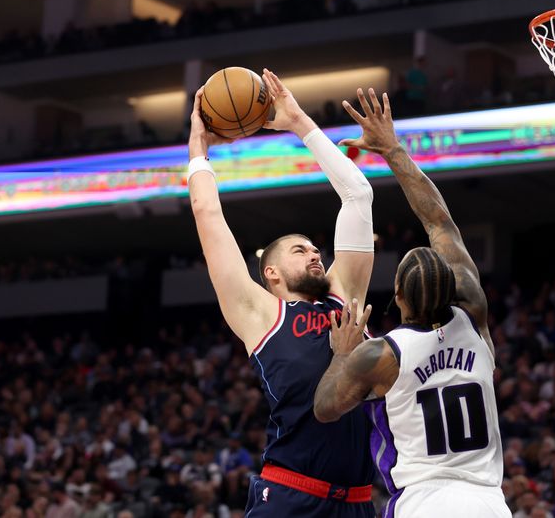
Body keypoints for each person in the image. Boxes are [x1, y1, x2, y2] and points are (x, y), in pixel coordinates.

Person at [313, 88, 510, 517]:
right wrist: (393, 149)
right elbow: (439, 222)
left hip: (424, 504)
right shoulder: (474, 316)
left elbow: (326, 407)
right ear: (454, 287)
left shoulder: (380, 354)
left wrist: (341, 355)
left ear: (398, 296)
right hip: (489, 504)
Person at [187, 68, 376, 517]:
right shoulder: (257, 312)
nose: (314, 254)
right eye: (299, 250)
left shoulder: (343, 294)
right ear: (270, 272)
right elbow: (207, 215)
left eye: (315, 248)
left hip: (360, 502)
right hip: (291, 496)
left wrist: (299, 123)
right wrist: (199, 146)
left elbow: (358, 195)